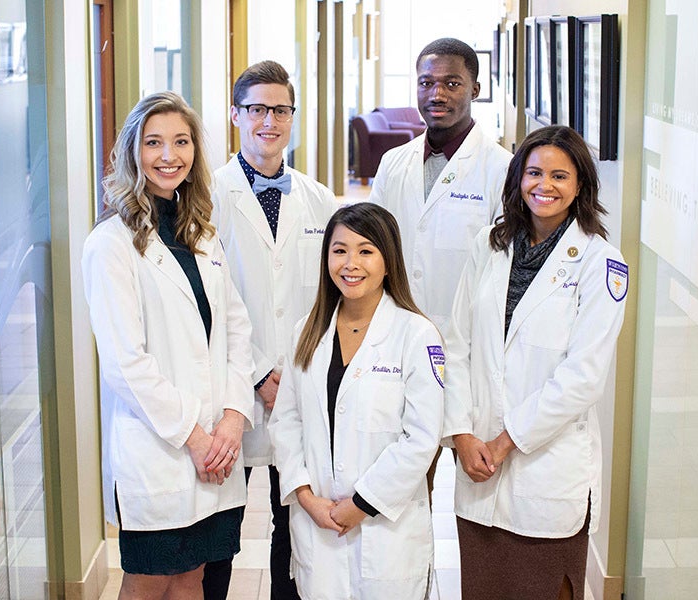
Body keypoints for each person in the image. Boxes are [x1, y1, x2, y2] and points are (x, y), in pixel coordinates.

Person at [82, 91, 255, 600]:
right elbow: (124, 364)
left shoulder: (200, 232)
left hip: (216, 447)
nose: (168, 155)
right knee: (149, 580)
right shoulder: (110, 245)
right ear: (133, 151)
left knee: (193, 576)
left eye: (181, 142)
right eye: (154, 142)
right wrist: (198, 439)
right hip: (160, 448)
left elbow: (236, 328)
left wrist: (231, 416)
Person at [443, 125, 628, 600]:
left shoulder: (601, 263)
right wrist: (462, 436)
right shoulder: (490, 244)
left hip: (546, 471)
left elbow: (582, 379)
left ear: (581, 186)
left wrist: (504, 443)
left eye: (560, 176)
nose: (544, 185)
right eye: (533, 172)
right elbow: (457, 343)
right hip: (478, 465)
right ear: (517, 178)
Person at [268, 203, 444, 600]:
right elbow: (286, 422)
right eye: (339, 250)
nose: (350, 263)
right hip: (319, 522)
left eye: (366, 251)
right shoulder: (307, 331)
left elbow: (420, 439)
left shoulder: (417, 335)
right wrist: (305, 496)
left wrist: (362, 504)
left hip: (385, 533)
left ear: (388, 261)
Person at [211, 60, 340, 599]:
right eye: (257, 109)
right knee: (220, 533)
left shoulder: (320, 198)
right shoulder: (207, 195)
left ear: (293, 116)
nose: (269, 120)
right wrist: (261, 372)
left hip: (301, 383)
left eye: (280, 109)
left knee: (294, 532)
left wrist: (298, 373)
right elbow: (213, 299)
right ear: (237, 115)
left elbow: (334, 290)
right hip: (234, 386)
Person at [368, 37, 512, 332]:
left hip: (463, 336)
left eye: (452, 84)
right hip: (394, 327)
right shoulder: (392, 162)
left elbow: (503, 268)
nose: (437, 94)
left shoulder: (502, 168)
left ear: (475, 90)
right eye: (426, 83)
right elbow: (371, 243)